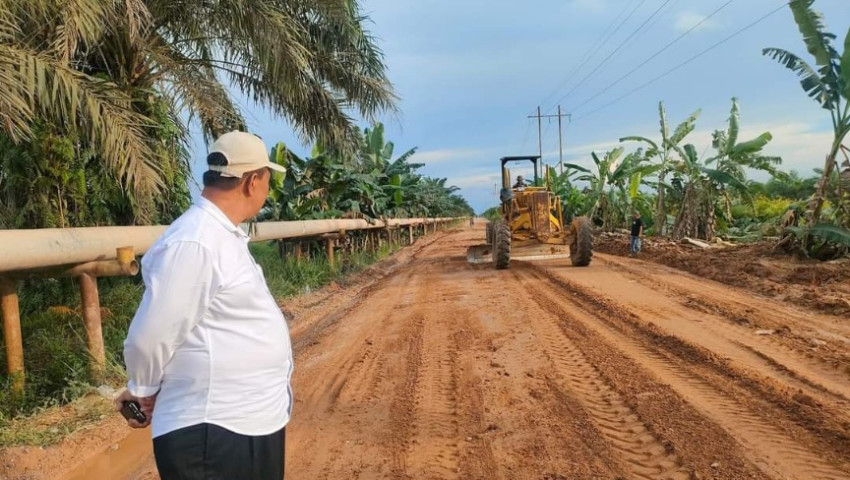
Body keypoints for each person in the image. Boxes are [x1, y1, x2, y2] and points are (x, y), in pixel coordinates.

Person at [115, 131, 294, 480]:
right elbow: (149, 337)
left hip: (246, 423)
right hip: (212, 433)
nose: (266, 190)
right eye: (267, 181)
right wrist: (143, 390)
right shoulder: (194, 241)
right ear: (253, 182)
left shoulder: (219, 235)